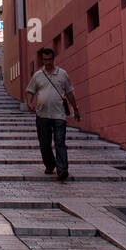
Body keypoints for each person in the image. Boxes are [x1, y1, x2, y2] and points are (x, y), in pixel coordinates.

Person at [25, 46, 79, 181]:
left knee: (60, 142)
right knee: (44, 143)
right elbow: (30, 91)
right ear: (42, 60)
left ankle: (62, 169)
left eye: (49, 60)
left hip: (59, 115)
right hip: (42, 115)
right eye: (45, 60)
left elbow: (70, 93)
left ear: (53, 59)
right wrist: (29, 103)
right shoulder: (38, 75)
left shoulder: (62, 74)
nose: (47, 63)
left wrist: (75, 109)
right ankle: (50, 164)